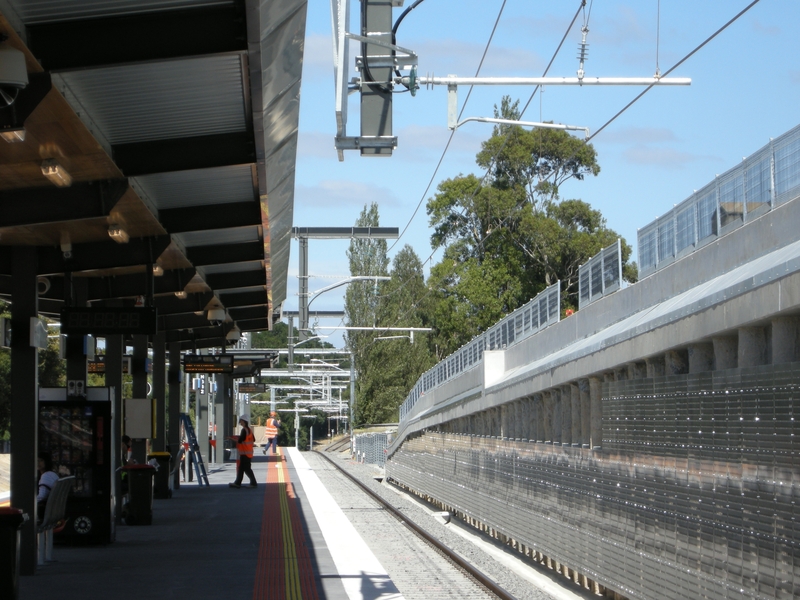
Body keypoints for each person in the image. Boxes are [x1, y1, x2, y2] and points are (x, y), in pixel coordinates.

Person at [229, 417, 256, 488]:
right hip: (248, 452)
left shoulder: (244, 430)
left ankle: (251, 483)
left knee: (245, 468)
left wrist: (231, 439)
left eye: (241, 421)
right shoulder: (249, 430)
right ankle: (238, 482)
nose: (240, 422)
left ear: (244, 421)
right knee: (243, 468)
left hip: (244, 452)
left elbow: (240, 441)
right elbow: (253, 439)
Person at [37, 451, 59, 517]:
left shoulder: (46, 476)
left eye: (41, 460)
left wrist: (30, 503)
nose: (38, 463)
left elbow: (42, 496)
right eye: (37, 460)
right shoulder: (52, 474)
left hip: (46, 512)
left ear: (46, 461)